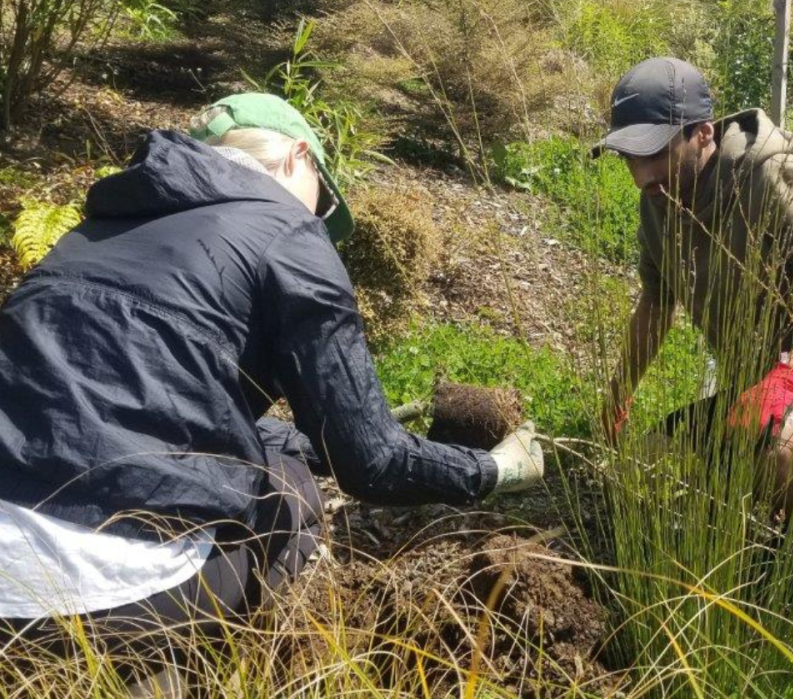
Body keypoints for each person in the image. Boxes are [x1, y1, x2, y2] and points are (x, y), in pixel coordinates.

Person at [0, 93, 543, 679]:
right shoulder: (287, 230)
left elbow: (139, 402)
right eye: (322, 201)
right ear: (297, 158)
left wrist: (313, 434)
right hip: (104, 594)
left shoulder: (96, 231)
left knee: (269, 446)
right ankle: (193, 670)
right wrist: (492, 472)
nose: (319, 220)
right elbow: (373, 464)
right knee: (293, 491)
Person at [597, 58, 793, 545]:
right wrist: (618, 396)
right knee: (648, 459)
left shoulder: (770, 177)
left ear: (703, 133)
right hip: (765, 390)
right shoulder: (658, 199)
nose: (641, 176)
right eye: (628, 158)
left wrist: (788, 378)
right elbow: (656, 306)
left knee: (777, 456)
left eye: (653, 152)